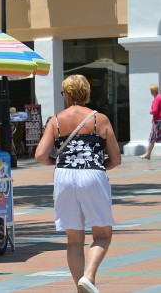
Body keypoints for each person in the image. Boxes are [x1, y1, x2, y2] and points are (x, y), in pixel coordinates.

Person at [35, 75, 121, 293]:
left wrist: (57, 162)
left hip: (63, 176)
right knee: (102, 235)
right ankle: (89, 276)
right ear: (86, 93)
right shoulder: (98, 119)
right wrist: (100, 167)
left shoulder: (55, 120)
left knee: (74, 239)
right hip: (92, 173)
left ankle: (80, 287)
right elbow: (116, 158)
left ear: (69, 94)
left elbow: (40, 155)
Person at [140, 83, 161, 160]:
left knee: (153, 138)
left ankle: (148, 154)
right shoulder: (159, 97)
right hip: (157, 121)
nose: (150, 92)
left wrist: (150, 111)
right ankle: (148, 154)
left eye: (151, 90)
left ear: (153, 90)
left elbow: (155, 110)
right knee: (153, 138)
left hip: (158, 121)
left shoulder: (157, 99)